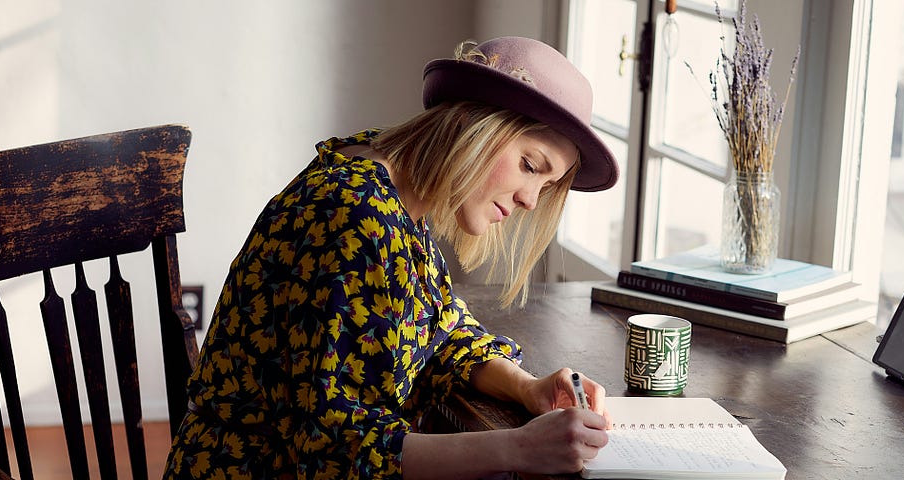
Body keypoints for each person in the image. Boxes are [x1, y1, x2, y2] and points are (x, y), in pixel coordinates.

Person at [164, 36, 620, 479]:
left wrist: (527, 386)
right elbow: (337, 451)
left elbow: (441, 332)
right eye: (529, 165)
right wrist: (519, 447)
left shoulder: (392, 189)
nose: (530, 201)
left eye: (546, 186)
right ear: (473, 125)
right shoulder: (356, 214)